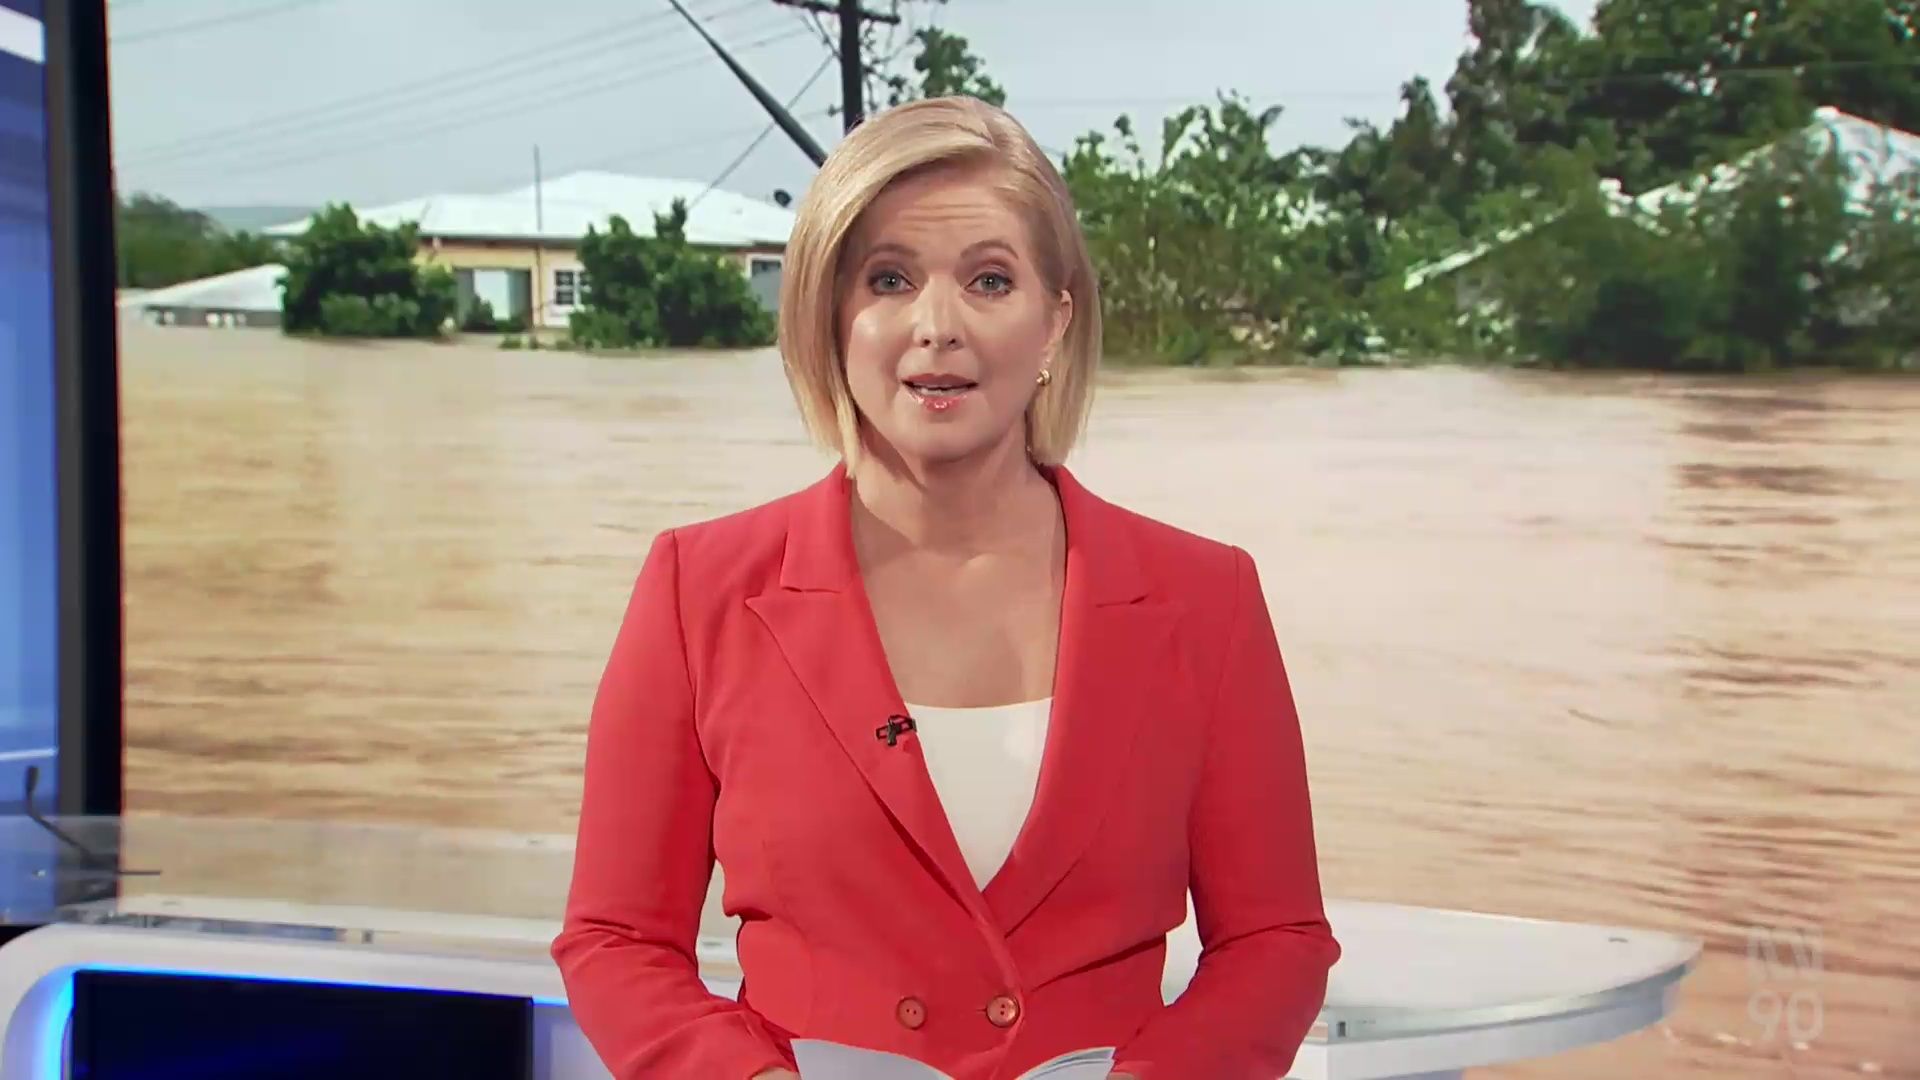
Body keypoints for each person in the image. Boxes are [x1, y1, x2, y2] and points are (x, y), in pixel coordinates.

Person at [552, 96, 1340, 1080]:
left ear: (1055, 322)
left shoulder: (1207, 600)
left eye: (989, 280)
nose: (936, 327)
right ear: (830, 316)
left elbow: (1276, 941)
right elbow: (617, 940)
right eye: (888, 279)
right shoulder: (697, 590)